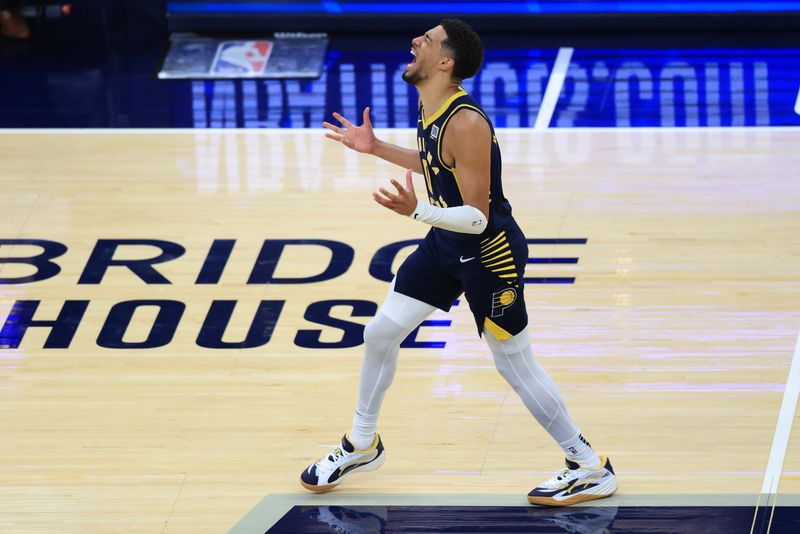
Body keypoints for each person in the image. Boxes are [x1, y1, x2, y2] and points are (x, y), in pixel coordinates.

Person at [300, 18, 618, 506]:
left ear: (445, 62)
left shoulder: (467, 122)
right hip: (446, 244)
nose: (414, 42)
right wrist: (376, 147)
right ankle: (362, 444)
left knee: (514, 365)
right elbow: (433, 162)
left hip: (489, 254)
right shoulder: (431, 103)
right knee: (381, 333)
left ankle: (588, 465)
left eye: (424, 41)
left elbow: (478, 218)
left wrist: (416, 212)